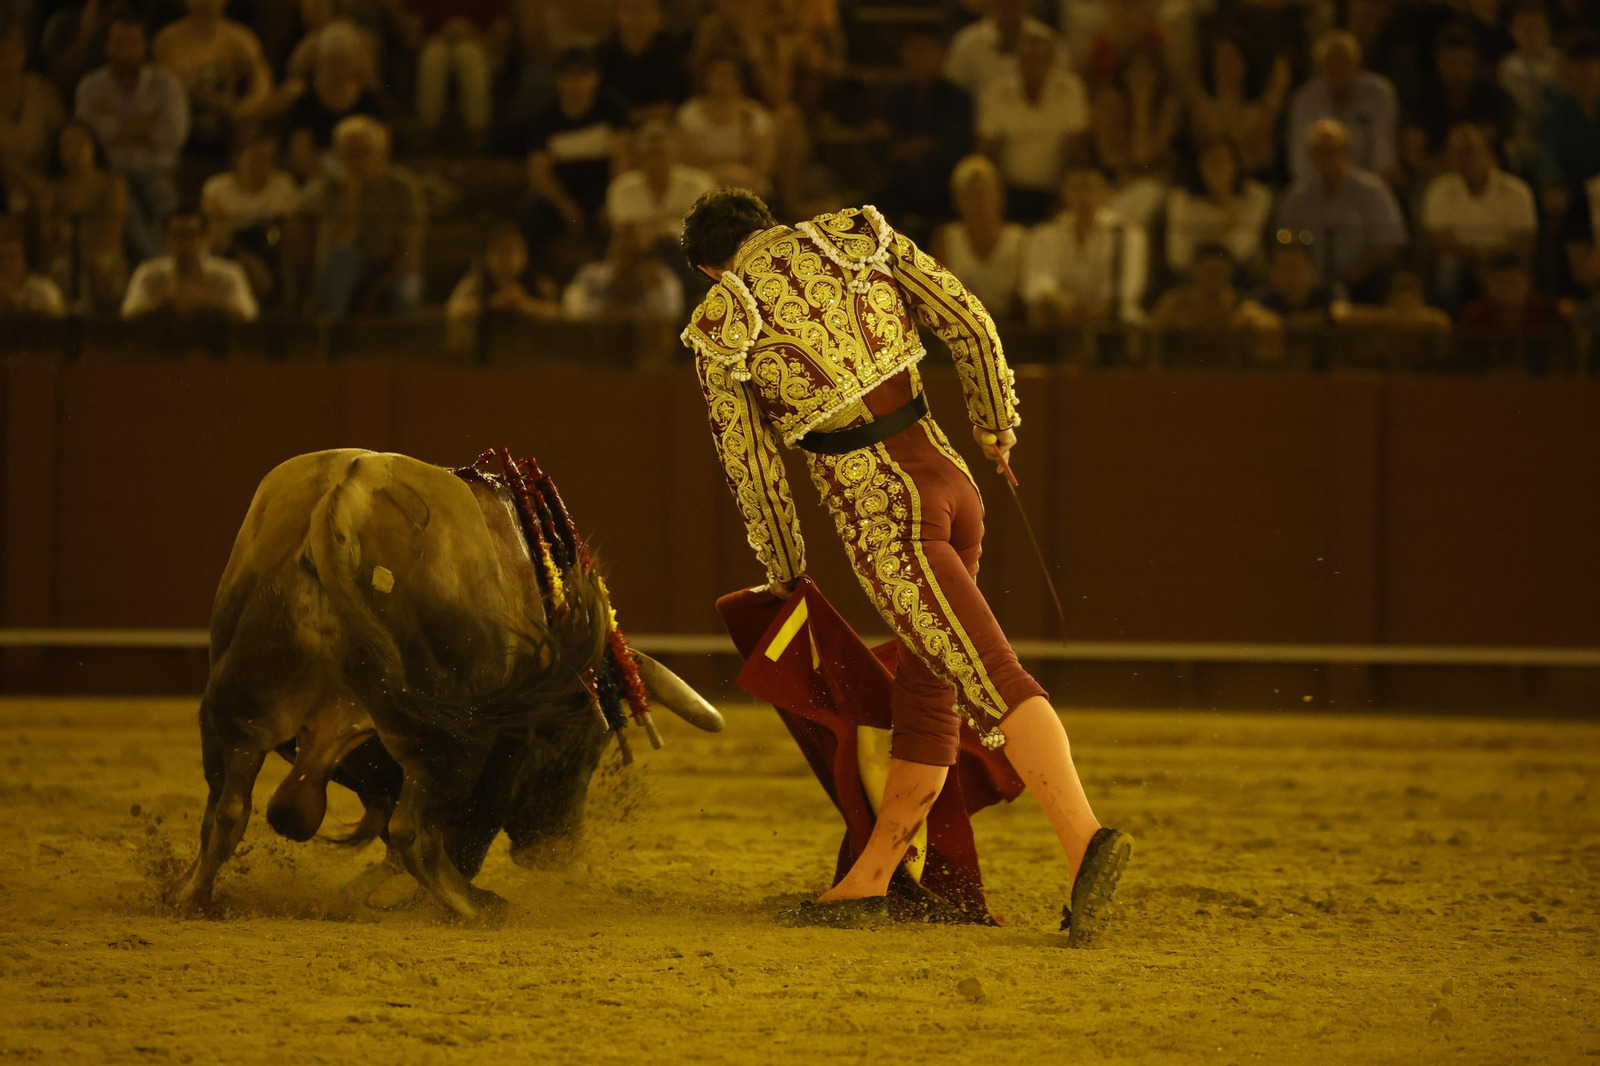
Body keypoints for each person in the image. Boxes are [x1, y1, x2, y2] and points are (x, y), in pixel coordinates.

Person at [679, 188, 1130, 941]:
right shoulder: (855, 236)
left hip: (887, 514)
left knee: (988, 675)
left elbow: (752, 466)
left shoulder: (723, 321)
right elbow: (971, 325)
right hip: (955, 483)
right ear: (766, 227)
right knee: (931, 696)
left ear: (707, 267)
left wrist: (788, 570)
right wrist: (994, 429)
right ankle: (869, 881)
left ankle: (1085, 838)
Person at [74, 15, 188, 265]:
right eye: (119, 42)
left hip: (160, 171)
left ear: (144, 45)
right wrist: (146, 123)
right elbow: (91, 137)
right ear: (107, 45)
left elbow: (172, 136)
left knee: (165, 202)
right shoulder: (90, 86)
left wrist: (115, 125)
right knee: (125, 211)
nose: (126, 50)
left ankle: (163, 268)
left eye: (132, 43)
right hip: (111, 175)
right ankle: (159, 268)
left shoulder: (167, 84)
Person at [299, 115, 425, 317]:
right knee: (342, 256)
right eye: (350, 154)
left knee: (406, 295)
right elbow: (339, 242)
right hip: (346, 272)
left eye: (364, 153)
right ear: (337, 155)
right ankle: (330, 337)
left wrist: (375, 294)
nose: (357, 162)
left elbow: (410, 255)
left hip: (392, 270)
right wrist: (351, 193)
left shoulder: (403, 188)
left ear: (381, 152)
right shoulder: (327, 189)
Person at [1277, 119, 1407, 303]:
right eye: (1320, 152)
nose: (1327, 158)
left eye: (1332, 151)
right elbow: (1285, 241)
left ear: (1347, 152)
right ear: (1311, 156)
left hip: (1363, 281)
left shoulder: (1372, 190)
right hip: (1309, 284)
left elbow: (1390, 244)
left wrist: (1353, 275)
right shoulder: (1296, 196)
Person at [976, 29, 1088, 223]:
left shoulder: (1070, 89)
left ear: (1051, 61)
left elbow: (1076, 151)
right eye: (1028, 59)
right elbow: (986, 151)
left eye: (1040, 59)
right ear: (1017, 60)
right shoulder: (996, 92)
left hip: (1055, 190)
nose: (1034, 65)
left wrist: (1067, 198)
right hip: (1009, 191)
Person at [1420, 123, 1536, 309]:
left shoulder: (1517, 191)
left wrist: (1489, 260)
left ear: (1489, 154)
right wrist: (1476, 259)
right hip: (1461, 264)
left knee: (1512, 275)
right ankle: (1452, 330)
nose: (1464, 159)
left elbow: (1524, 243)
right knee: (1446, 270)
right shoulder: (1438, 190)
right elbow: (1437, 241)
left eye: (1470, 151)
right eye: (1457, 153)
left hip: (1504, 262)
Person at [524, 47, 630, 248]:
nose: (576, 84)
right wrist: (565, 207)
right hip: (563, 194)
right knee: (533, 221)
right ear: (558, 80)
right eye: (569, 77)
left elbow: (622, 159)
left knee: (618, 221)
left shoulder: (612, 109)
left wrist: (612, 200)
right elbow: (537, 172)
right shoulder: (545, 119)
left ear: (595, 78)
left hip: (602, 192)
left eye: (583, 76)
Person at [1021, 165, 1148, 326]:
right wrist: (1062, 301)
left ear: (1106, 192)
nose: (1084, 195)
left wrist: (1095, 310)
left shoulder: (1126, 234)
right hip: (1061, 319)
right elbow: (1036, 281)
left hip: (1113, 323)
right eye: (1077, 188)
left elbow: (1128, 288)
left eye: (1091, 187)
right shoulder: (1045, 235)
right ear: (1064, 193)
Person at [873, 30, 972, 226]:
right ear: (904, 54)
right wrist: (924, 144)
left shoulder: (958, 100)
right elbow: (878, 146)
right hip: (900, 185)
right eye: (915, 50)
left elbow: (955, 146)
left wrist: (912, 147)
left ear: (942, 54)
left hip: (944, 187)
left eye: (927, 49)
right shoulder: (891, 99)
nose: (921, 57)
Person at [151, 0, 274, 155]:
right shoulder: (166, 40)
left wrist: (245, 108)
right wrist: (205, 99)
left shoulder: (240, 39)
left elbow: (261, 80)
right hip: (181, 120)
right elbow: (163, 89)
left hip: (225, 124)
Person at [1404, 22, 1517, 177]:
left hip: (1487, 177)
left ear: (1474, 62)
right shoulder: (1422, 97)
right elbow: (1415, 152)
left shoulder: (1495, 97)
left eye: (1464, 64)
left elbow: (1480, 144)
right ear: (1438, 63)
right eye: (1450, 64)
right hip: (1436, 179)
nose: (1458, 72)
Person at [1287, 30, 1399, 184]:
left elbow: (1384, 156)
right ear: (1319, 66)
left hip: (1370, 185)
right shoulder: (1304, 99)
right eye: (1331, 62)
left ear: (1357, 62)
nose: (1339, 68)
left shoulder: (1379, 94)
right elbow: (1300, 161)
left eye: (1344, 61)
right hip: (1319, 186)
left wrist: (1367, 190)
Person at [202, 129, 298, 305]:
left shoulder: (283, 186)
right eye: (255, 157)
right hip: (232, 248)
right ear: (237, 158)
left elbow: (288, 226)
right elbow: (217, 231)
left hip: (271, 246)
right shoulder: (216, 188)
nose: (261, 165)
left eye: (267, 159)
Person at [42, 118, 128, 311]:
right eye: (67, 144)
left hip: (102, 254)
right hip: (66, 258)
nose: (75, 149)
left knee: (102, 268)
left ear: (93, 146)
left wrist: (85, 256)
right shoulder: (52, 190)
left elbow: (111, 233)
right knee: (63, 271)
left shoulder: (112, 185)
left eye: (81, 142)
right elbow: (47, 237)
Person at [283, 22, 383, 178]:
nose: (337, 69)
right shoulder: (305, 103)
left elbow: (381, 150)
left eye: (343, 61)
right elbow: (302, 159)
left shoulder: (369, 101)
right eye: (332, 61)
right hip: (319, 183)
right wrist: (341, 168)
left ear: (353, 62)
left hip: (365, 179)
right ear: (320, 62)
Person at [933, 154, 1026, 318]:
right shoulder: (946, 240)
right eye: (970, 194)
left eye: (985, 192)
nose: (979, 201)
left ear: (999, 196)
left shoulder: (1019, 240)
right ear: (958, 201)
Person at [121, 209, 258, 319]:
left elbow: (248, 315)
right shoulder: (149, 273)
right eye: (178, 235)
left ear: (206, 237)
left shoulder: (227, 273)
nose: (185, 243)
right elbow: (128, 314)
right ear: (165, 239)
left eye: (191, 235)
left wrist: (207, 305)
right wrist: (164, 305)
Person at [1163, 137, 1272, 277]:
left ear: (1235, 164)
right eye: (1210, 162)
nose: (1216, 168)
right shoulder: (1180, 199)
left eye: (1221, 161)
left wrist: (1223, 198)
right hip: (1192, 277)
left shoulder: (1257, 195)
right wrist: (1228, 225)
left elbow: (1243, 248)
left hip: (1242, 275)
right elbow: (1179, 256)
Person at [406, 0, 510, 144]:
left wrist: (473, 33)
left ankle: (478, 131)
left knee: (468, 54)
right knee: (434, 56)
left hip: (480, 44)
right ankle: (426, 128)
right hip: (435, 41)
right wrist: (442, 33)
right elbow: (412, 30)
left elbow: (500, 30)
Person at [444, 221, 559, 351]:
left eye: (511, 251)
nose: (505, 259)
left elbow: (558, 312)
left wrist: (523, 304)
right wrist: (491, 303)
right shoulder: (476, 280)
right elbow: (454, 310)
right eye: (499, 251)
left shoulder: (537, 281)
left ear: (524, 255)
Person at [1187, 35, 1291, 178]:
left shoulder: (1259, 113)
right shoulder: (1202, 110)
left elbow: (1263, 158)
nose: (1227, 66)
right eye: (1221, 59)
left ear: (1244, 65)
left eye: (1233, 59)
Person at [604, 119, 714, 251]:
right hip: (640, 257)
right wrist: (673, 225)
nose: (655, 162)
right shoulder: (622, 188)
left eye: (660, 154)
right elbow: (626, 233)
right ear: (638, 158)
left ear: (674, 155)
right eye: (649, 155)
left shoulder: (698, 183)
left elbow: (703, 228)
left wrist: (659, 232)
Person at [675, 55, 775, 197]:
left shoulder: (755, 116)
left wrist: (735, 172)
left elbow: (764, 164)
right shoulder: (691, 114)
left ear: (740, 82)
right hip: (701, 182)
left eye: (727, 76)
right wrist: (723, 170)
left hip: (746, 183)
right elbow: (684, 161)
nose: (720, 83)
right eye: (716, 76)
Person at [1533, 31, 1600, 224]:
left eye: (1588, 71)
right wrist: (1551, 183)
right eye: (1574, 71)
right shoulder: (1555, 110)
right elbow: (1547, 152)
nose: (1581, 79)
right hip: (1573, 195)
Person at [0, 27, 66, 214]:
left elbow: (62, 135)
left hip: (45, 173)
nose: (6, 61)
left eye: (12, 52)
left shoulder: (42, 90)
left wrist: (40, 168)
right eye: (1, 54)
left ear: (23, 54)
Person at [944, 0, 1066, 100]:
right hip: (980, 126)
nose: (1009, 3)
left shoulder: (1051, 41)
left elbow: (1065, 89)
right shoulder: (966, 44)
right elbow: (952, 95)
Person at [562, 221, 683, 318]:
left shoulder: (664, 284)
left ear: (648, 259)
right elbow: (573, 310)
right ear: (610, 254)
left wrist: (651, 292)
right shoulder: (591, 277)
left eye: (634, 257)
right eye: (621, 254)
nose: (626, 263)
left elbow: (668, 320)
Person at [1148, 241, 1276, 331]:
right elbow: (1153, 336)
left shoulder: (1239, 306)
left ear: (1230, 272)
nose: (1213, 280)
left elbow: (1268, 322)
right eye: (1209, 272)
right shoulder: (1174, 304)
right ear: (1194, 270)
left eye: (1218, 273)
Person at [597, 0, 689, 121]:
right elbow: (600, 102)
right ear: (616, 15)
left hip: (661, 126)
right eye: (629, 10)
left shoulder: (671, 50)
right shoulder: (604, 51)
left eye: (645, 10)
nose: (637, 18)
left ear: (659, 18)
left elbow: (672, 104)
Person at [1499, 1, 1558, 170]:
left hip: (1555, 143)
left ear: (1548, 30)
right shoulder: (1507, 67)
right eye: (1524, 28)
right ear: (1513, 31)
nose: (1530, 34)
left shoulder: (1560, 64)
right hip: (1521, 145)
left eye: (1535, 27)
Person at [1253, 237, 1335, 327]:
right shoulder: (1263, 300)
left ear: (1312, 270)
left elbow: (1342, 310)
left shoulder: (1326, 298)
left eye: (1294, 267)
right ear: (1272, 273)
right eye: (1283, 268)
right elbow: (1248, 311)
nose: (1289, 276)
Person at [0, 223, 67, 316]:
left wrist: (17, 303)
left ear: (24, 260)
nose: (6, 264)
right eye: (1, 258)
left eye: (13, 258)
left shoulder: (43, 289)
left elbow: (59, 318)